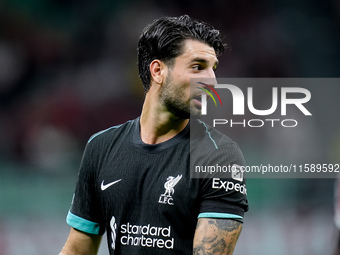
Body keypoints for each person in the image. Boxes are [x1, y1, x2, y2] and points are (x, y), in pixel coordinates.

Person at [59, 15, 248, 255]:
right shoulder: (101, 147)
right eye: (198, 67)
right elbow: (77, 250)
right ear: (158, 71)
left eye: (213, 69)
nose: (212, 81)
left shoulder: (219, 157)